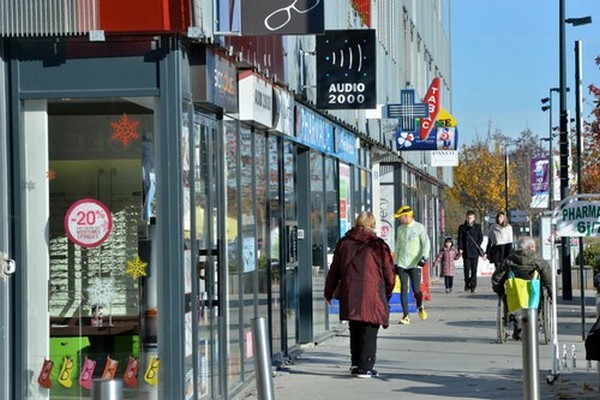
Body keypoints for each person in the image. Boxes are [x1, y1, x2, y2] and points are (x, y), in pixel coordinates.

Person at [324, 212, 395, 378]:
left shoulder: (344, 243)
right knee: (370, 328)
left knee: (354, 327)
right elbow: (389, 272)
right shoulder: (378, 245)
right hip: (372, 292)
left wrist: (329, 291)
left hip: (350, 292)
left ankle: (356, 363)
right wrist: (388, 290)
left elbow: (334, 270)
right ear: (373, 225)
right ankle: (366, 365)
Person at [491, 237, 552, 340]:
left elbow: (497, 278)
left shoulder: (509, 260)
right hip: (533, 294)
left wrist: (500, 291)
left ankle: (517, 327)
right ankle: (534, 324)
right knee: (540, 287)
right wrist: (552, 293)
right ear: (532, 247)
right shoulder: (538, 261)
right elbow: (549, 280)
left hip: (514, 296)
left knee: (509, 299)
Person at [393, 205, 431, 325]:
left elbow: (426, 243)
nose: (399, 220)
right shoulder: (400, 229)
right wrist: (395, 263)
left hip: (415, 264)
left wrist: (424, 257)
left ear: (407, 216)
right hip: (402, 264)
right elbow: (398, 247)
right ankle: (405, 315)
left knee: (416, 289)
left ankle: (420, 306)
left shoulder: (419, 228)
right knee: (403, 289)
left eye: (400, 217)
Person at [457, 210, 484, 293]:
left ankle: (473, 286)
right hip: (466, 251)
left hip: (474, 251)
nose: (469, 220)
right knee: (466, 269)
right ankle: (467, 283)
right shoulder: (462, 227)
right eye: (468, 218)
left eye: (471, 218)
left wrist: (478, 246)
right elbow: (460, 239)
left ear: (474, 218)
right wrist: (460, 248)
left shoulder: (477, 226)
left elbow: (480, 237)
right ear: (466, 218)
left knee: (474, 269)